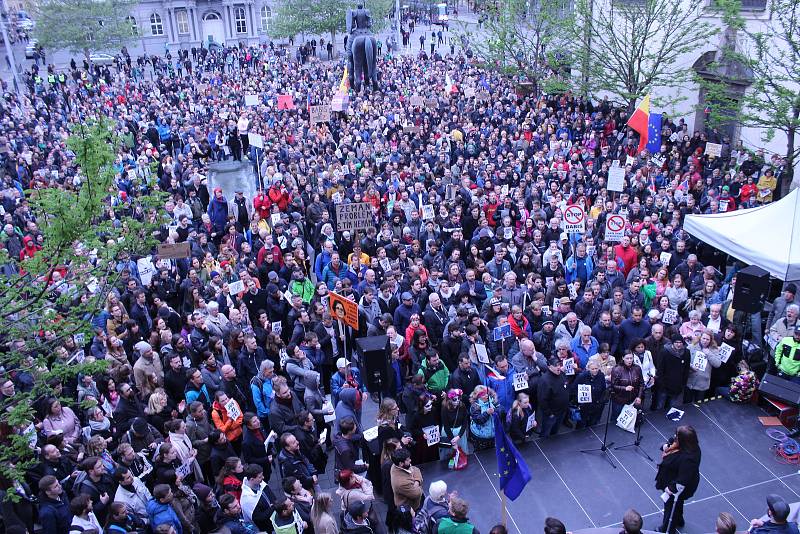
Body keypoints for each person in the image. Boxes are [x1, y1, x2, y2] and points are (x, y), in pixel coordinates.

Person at [655, 425, 701, 534]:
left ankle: (667, 529)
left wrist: (670, 489)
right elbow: (670, 445)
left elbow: (683, 479)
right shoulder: (685, 446)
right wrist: (666, 446)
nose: (674, 437)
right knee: (677, 504)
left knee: (670, 508)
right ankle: (679, 520)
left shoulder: (689, 458)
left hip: (678, 487)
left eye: (677, 437)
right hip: (672, 478)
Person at [537, 356, 570, 439]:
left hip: (562, 411)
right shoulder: (544, 380)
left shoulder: (562, 374)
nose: (558, 367)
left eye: (559, 364)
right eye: (555, 365)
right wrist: (549, 413)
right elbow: (542, 400)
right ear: (549, 367)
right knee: (546, 432)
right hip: (552, 414)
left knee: (555, 432)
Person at [239, 463, 277, 532]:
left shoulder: (260, 483)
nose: (263, 478)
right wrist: (273, 507)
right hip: (266, 529)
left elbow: (272, 496)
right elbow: (259, 518)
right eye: (260, 477)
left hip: (275, 520)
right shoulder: (247, 499)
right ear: (252, 479)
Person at [390, 447, 424, 512]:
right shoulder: (401, 483)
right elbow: (417, 493)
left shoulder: (395, 465)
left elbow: (416, 469)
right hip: (409, 509)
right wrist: (418, 482)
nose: (410, 460)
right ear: (401, 463)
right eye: (408, 460)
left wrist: (415, 484)